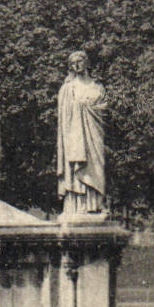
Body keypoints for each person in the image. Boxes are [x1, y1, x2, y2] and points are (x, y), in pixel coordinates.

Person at [56, 51, 108, 216]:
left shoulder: (97, 87)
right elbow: (64, 117)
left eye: (79, 61)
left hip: (94, 132)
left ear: (86, 63)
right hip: (75, 135)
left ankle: (95, 205)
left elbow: (103, 108)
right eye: (73, 63)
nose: (76, 65)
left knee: (97, 167)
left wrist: (88, 107)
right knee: (76, 167)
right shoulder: (67, 88)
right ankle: (76, 206)